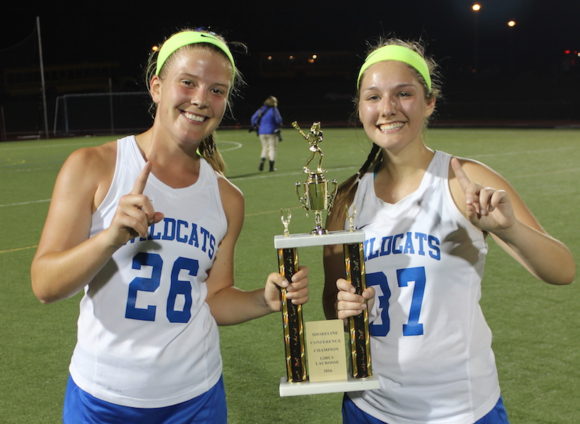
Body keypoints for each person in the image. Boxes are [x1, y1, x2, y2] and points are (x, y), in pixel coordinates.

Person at [30, 29, 308, 424]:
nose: (200, 99)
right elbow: (45, 285)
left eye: (217, 90)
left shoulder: (228, 198)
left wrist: (263, 301)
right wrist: (111, 238)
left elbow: (214, 299)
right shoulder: (94, 166)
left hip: (196, 398)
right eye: (188, 83)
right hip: (102, 397)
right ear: (157, 87)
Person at [323, 38, 575, 424]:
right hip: (369, 407)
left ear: (429, 102)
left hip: (462, 410)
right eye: (373, 97)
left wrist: (509, 231)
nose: (387, 108)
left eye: (403, 94)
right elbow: (332, 304)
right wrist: (344, 306)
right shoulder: (346, 199)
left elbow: (562, 270)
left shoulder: (463, 180)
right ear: (360, 108)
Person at [250, 95, 283, 171]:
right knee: (272, 148)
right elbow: (278, 120)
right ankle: (271, 167)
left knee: (264, 147)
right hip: (272, 131)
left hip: (261, 132)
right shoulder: (274, 110)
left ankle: (262, 162)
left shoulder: (261, 109)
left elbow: (253, 118)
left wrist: (256, 126)